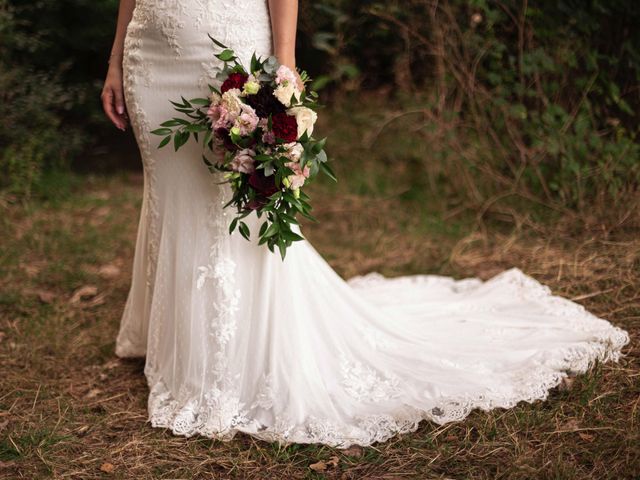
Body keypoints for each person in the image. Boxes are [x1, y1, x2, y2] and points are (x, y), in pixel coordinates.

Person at [102, 0, 629, 448]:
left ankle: (228, 361)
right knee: (172, 192)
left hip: (222, 42)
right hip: (149, 51)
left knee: (226, 201)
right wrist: (115, 58)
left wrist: (283, 71)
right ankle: (172, 339)